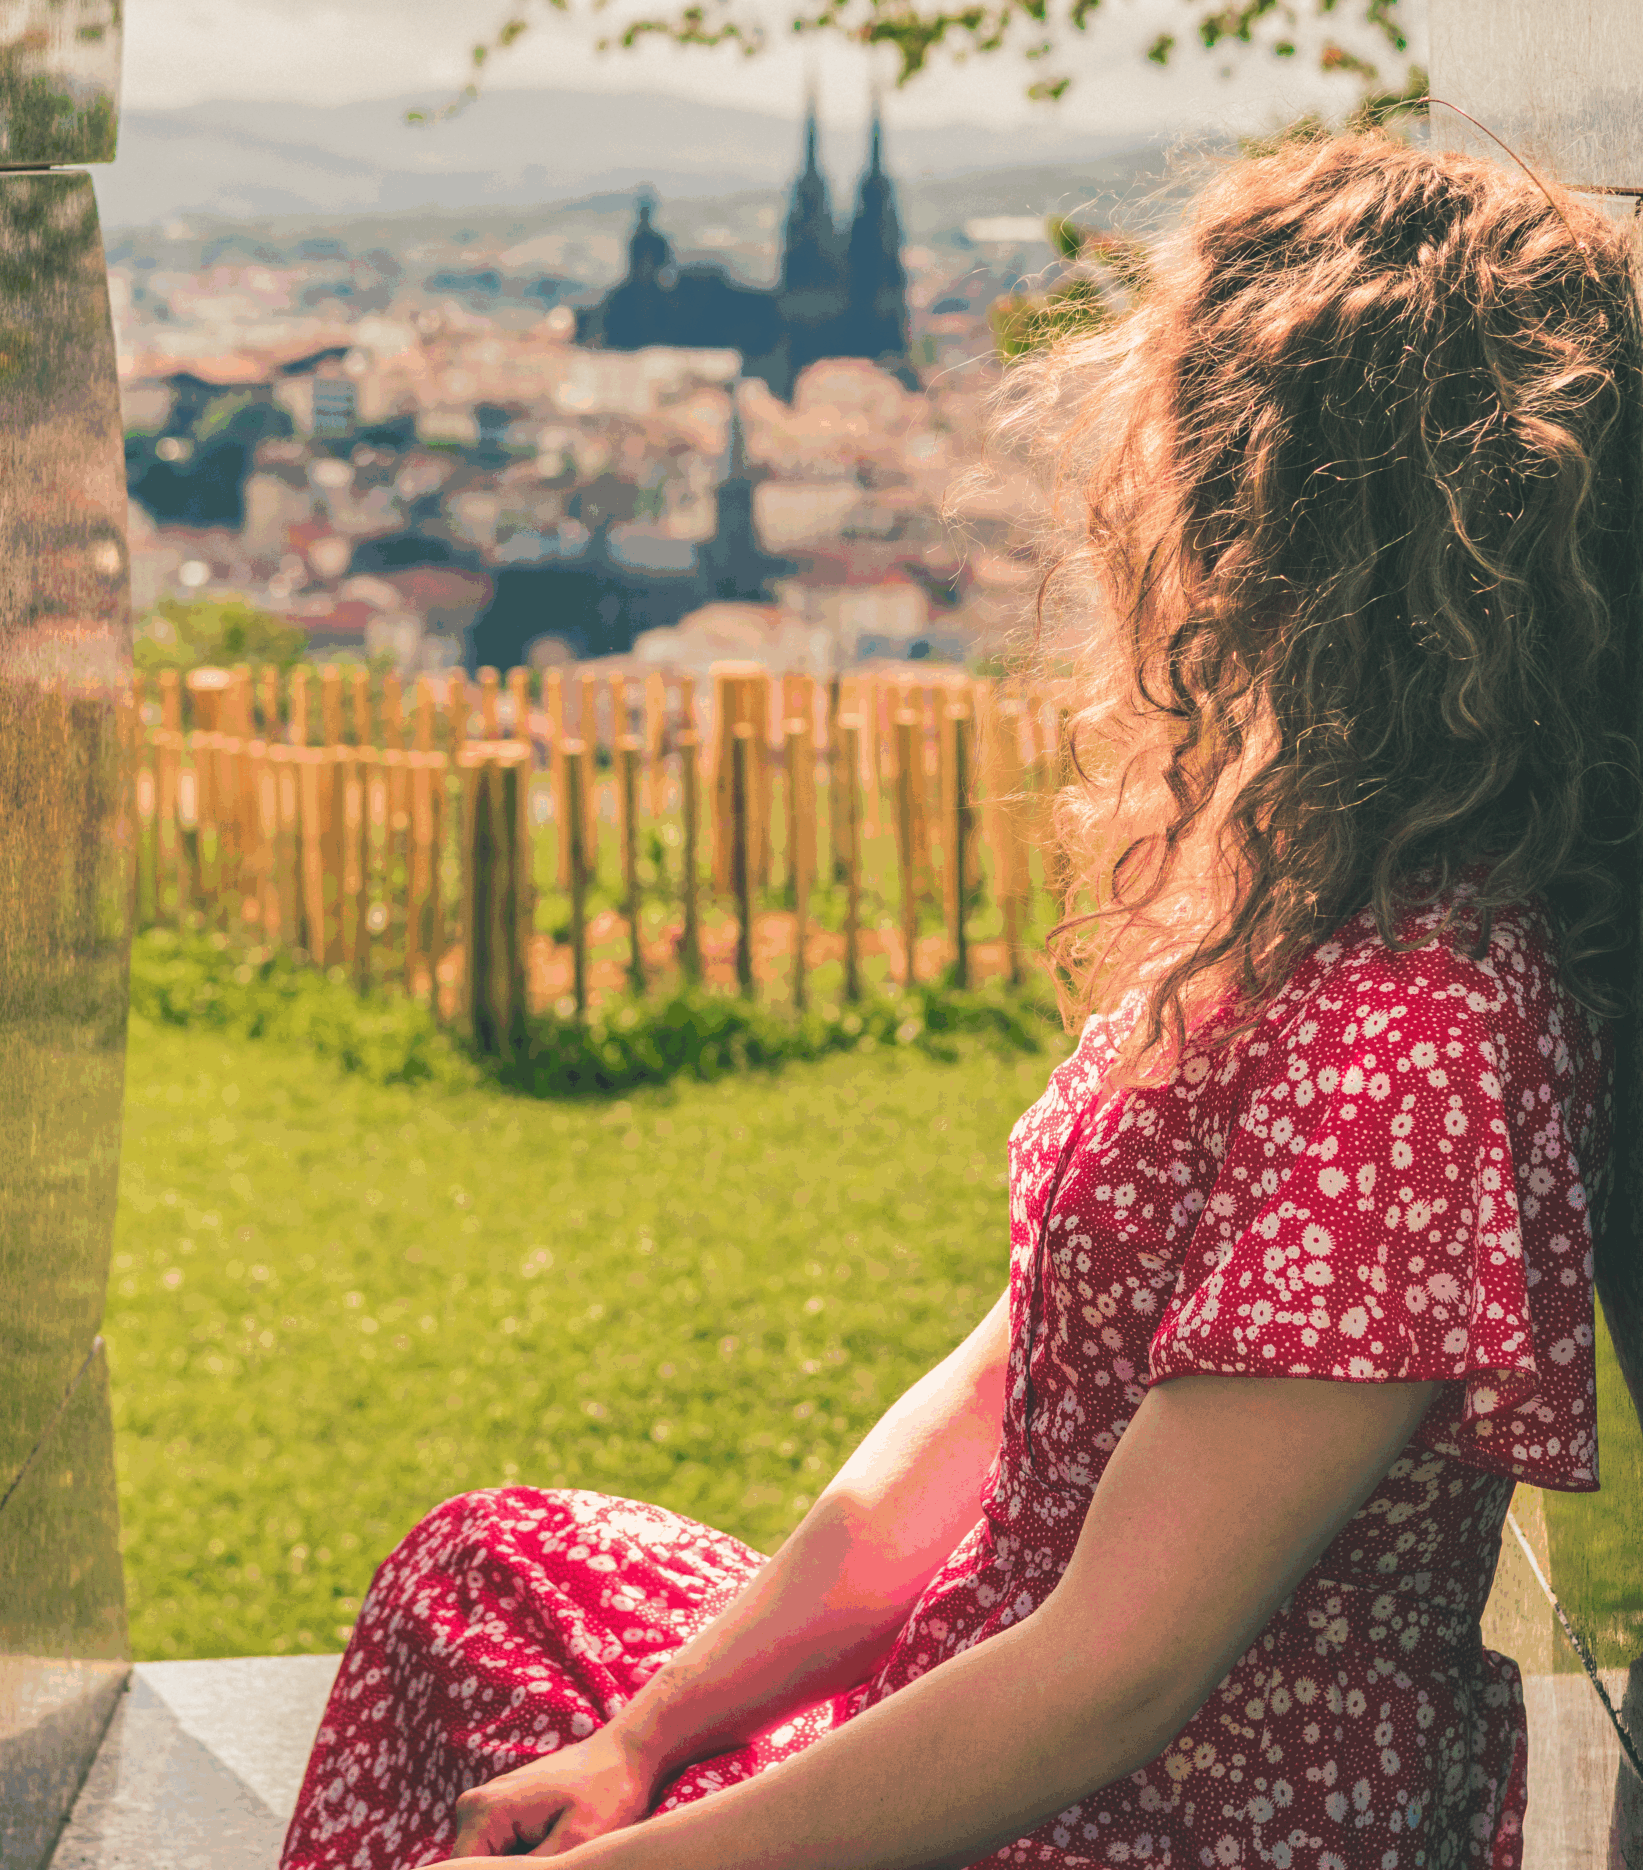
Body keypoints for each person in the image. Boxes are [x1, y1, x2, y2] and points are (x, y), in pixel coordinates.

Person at [280, 133, 1633, 1870]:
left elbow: (1104, 1685)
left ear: (1291, 515)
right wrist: (649, 1738)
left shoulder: (1405, 1047)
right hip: (1026, 1725)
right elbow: (1009, 1388)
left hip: (1125, 1831)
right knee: (488, 1572)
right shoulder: (1326, 903)